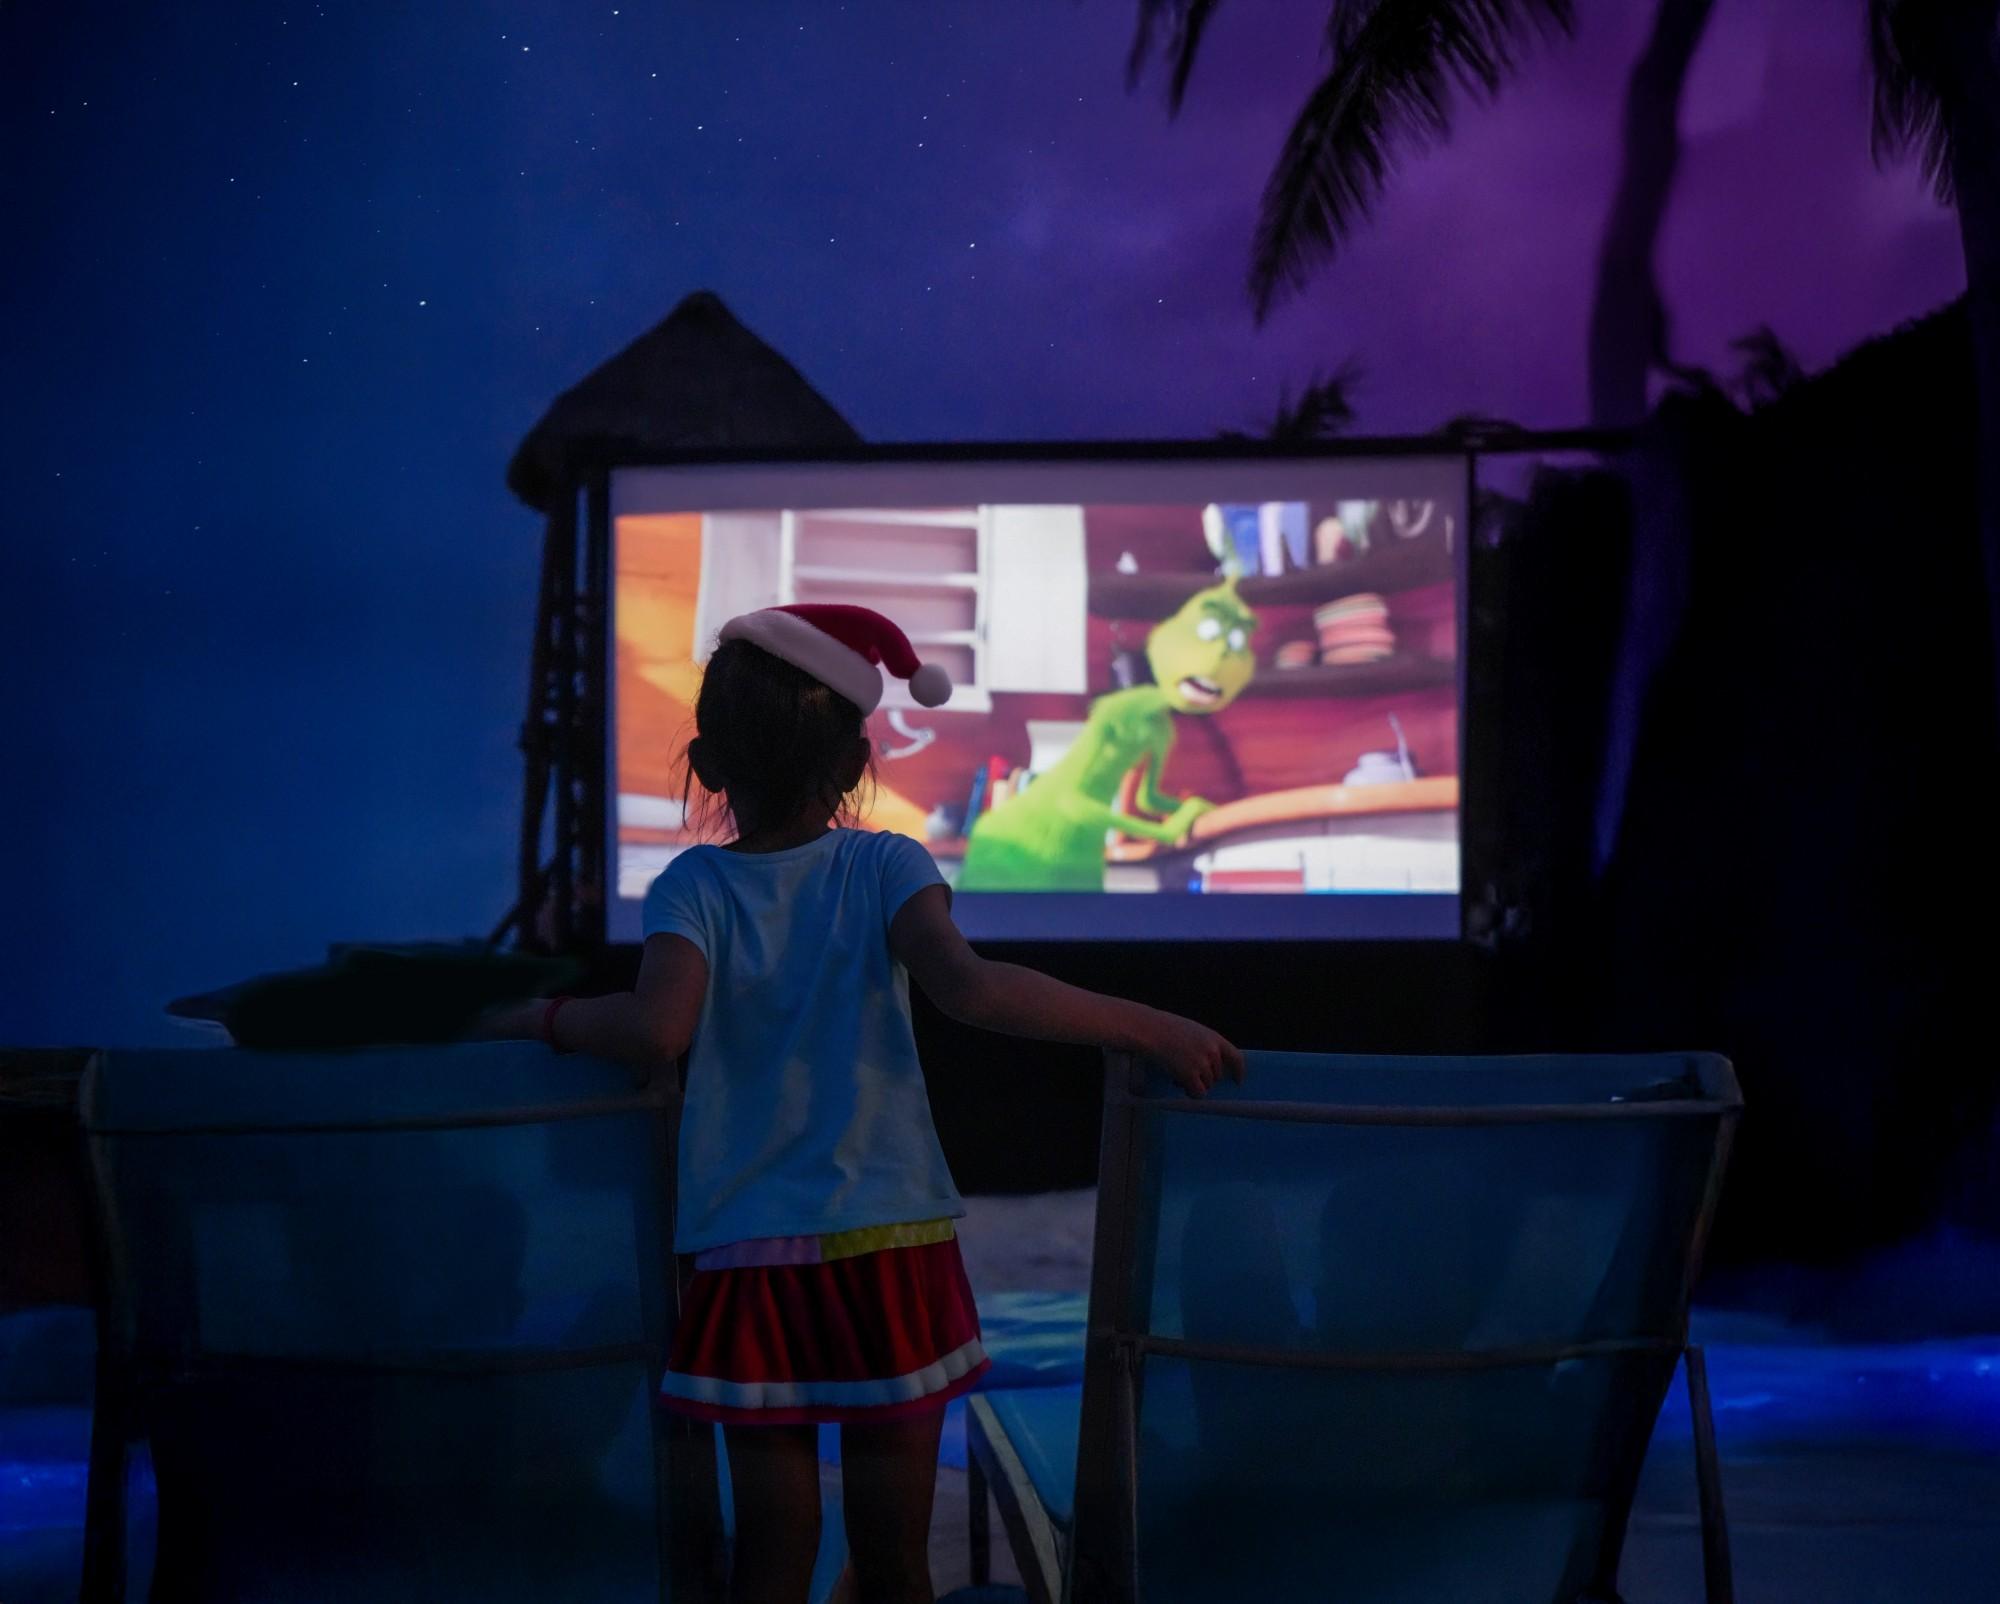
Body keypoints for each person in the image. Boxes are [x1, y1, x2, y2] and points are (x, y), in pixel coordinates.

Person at [478, 602, 1244, 1604]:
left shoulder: (690, 885)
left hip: (752, 1252)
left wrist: (540, 1017)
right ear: (853, 765)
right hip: (891, 1242)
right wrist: (1146, 1023)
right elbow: (972, 987)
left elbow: (656, 1028)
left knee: (773, 1549)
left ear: (706, 764)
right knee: (893, 1559)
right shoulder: (886, 863)